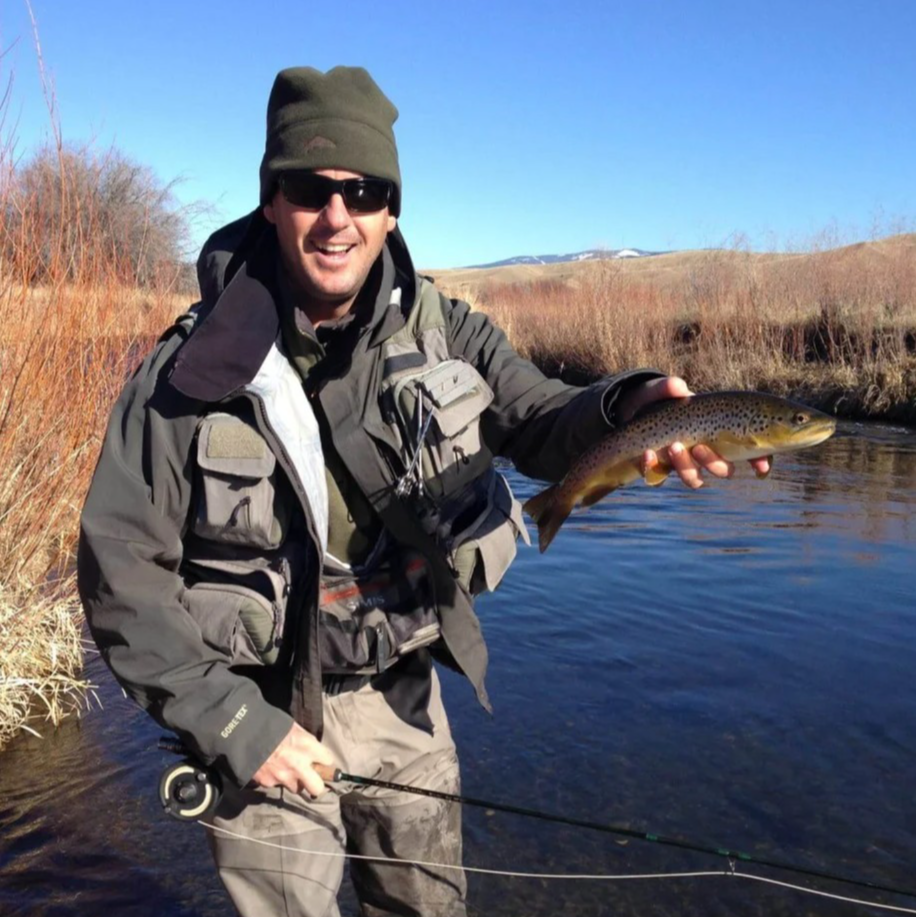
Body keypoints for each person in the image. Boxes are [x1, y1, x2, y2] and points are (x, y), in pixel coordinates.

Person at [77, 65, 769, 917]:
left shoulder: (449, 330)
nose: (338, 217)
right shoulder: (187, 373)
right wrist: (230, 724)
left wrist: (627, 405)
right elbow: (121, 579)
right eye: (308, 188)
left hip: (403, 694)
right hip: (257, 708)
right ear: (270, 200)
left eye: (364, 191)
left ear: (391, 208)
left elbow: (544, 421)